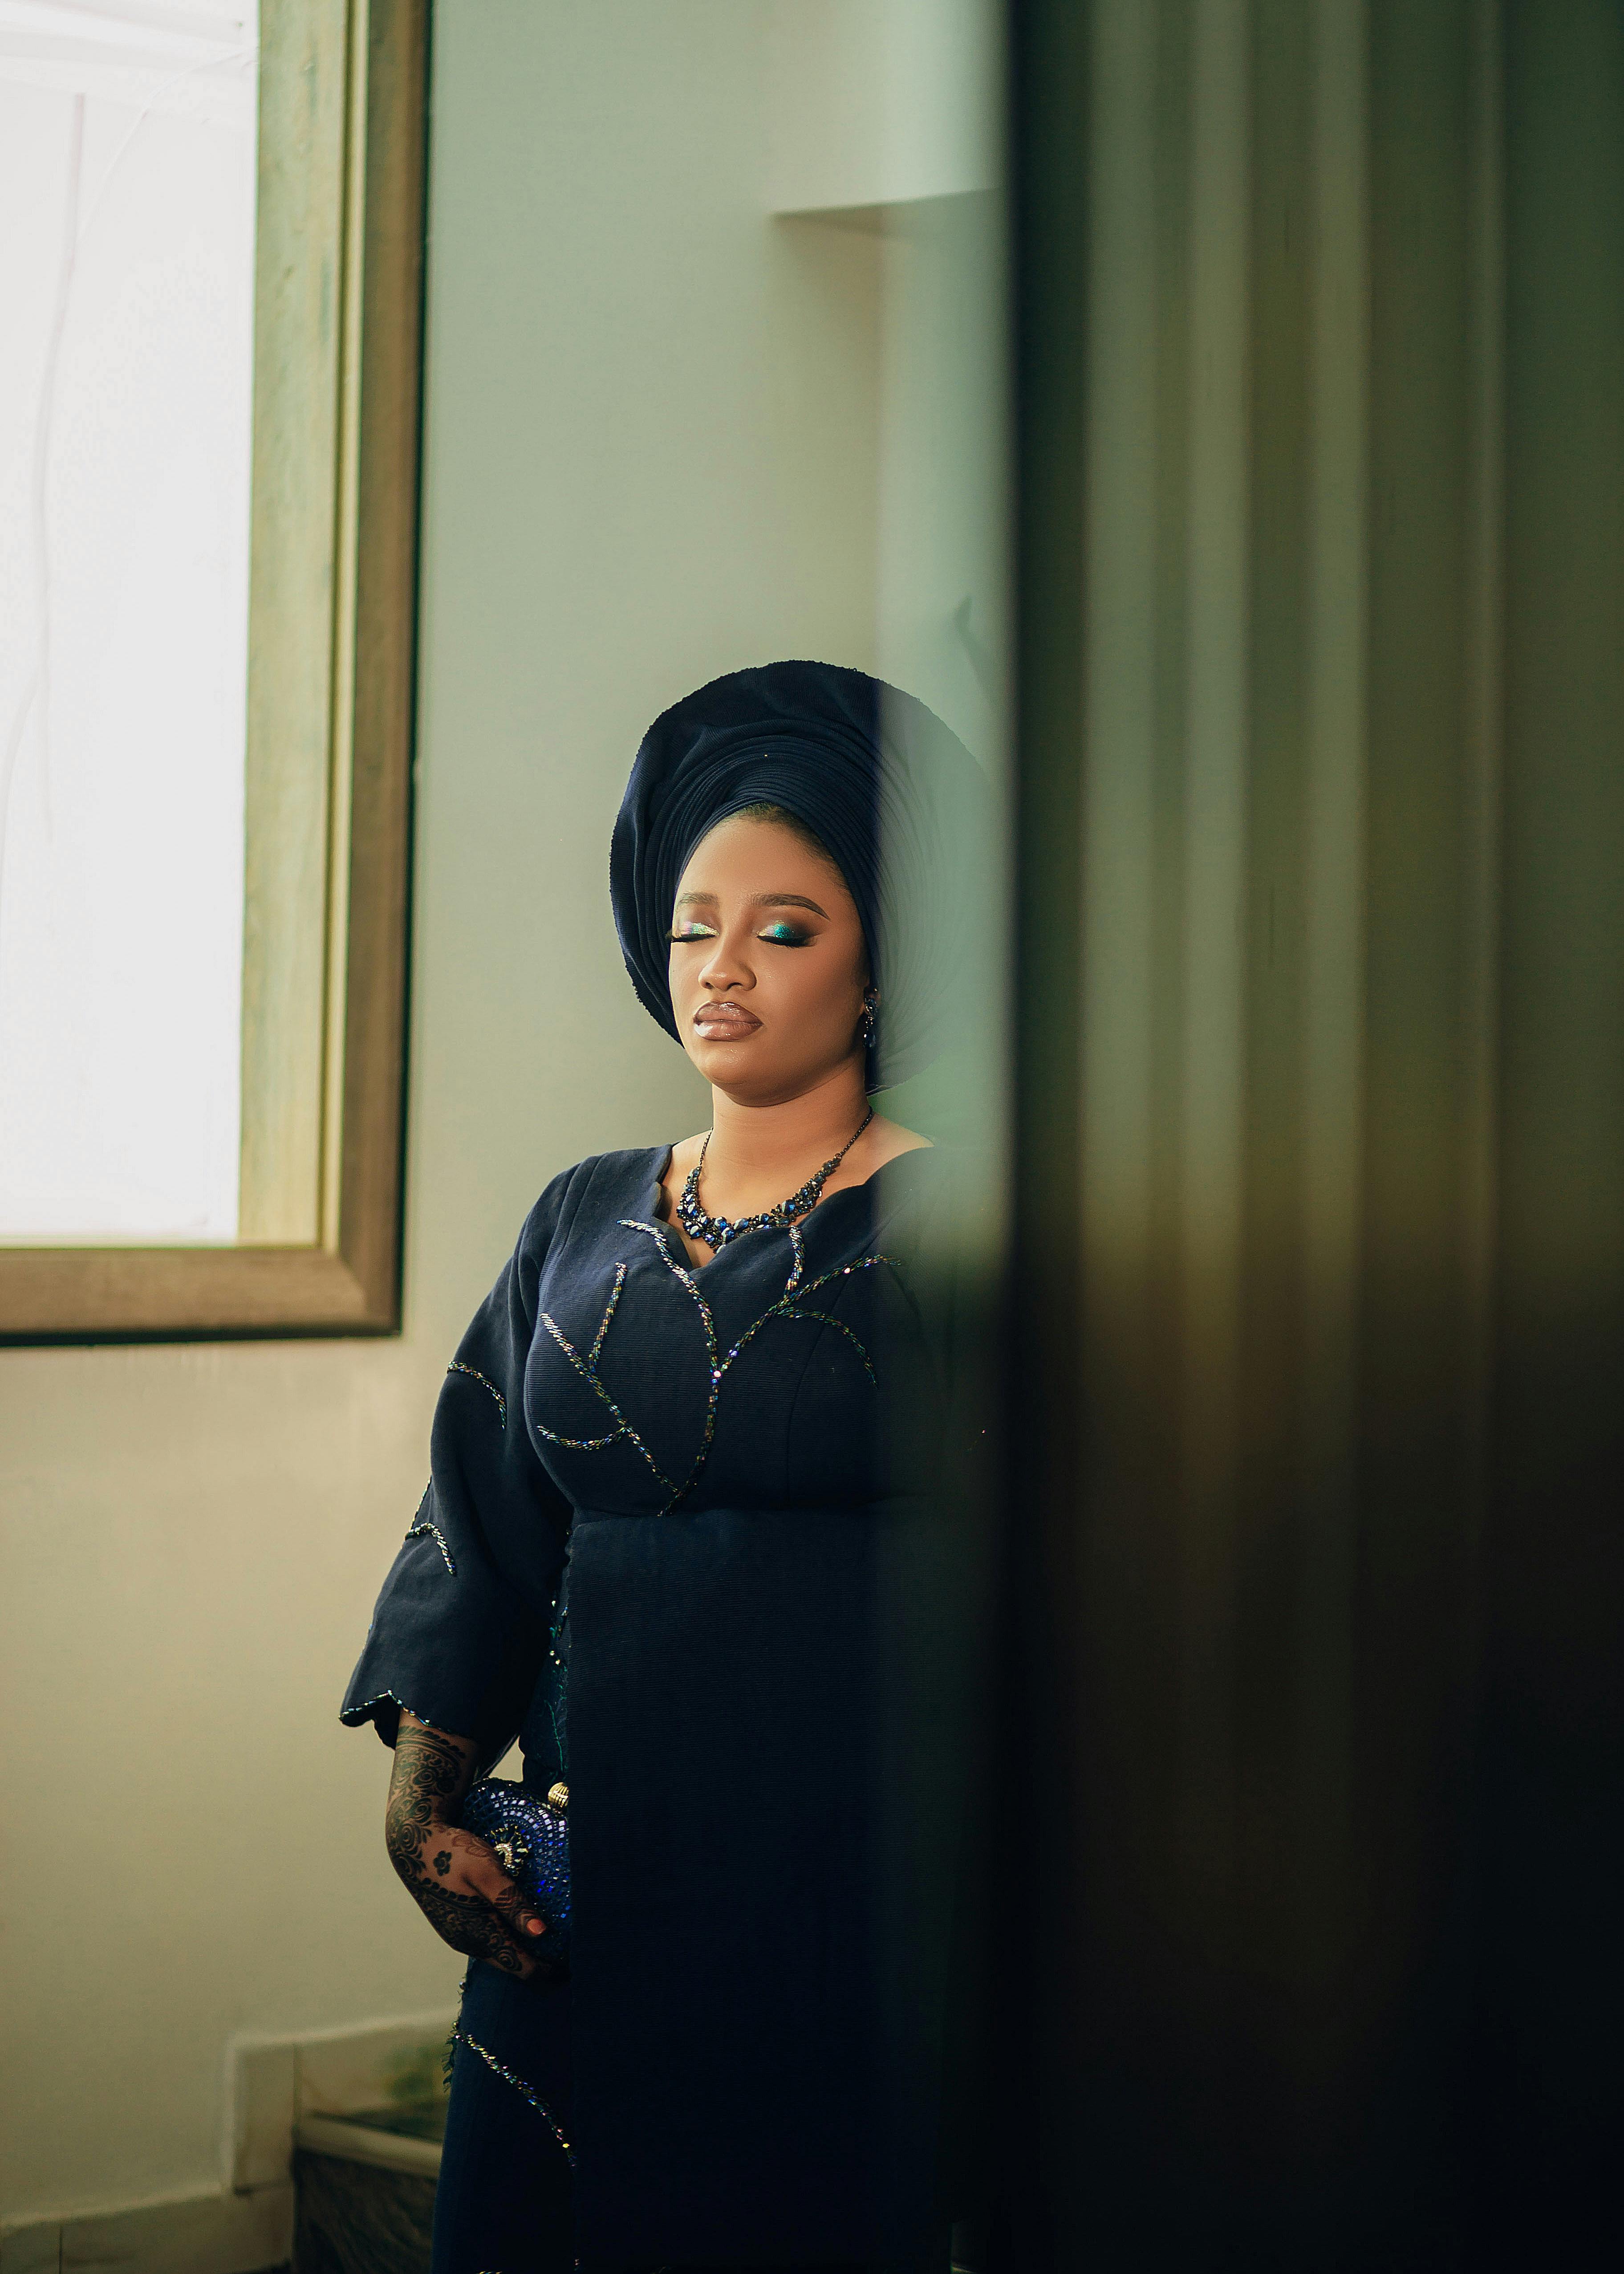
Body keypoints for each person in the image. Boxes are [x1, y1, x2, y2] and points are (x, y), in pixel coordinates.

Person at [341, 661, 991, 2273]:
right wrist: (425, 1784)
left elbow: (1065, 1565)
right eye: (698, 923)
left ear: (883, 963)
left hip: (856, 1905)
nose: (725, 966)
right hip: (585, 1907)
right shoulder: (580, 1214)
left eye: (786, 927)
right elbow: (482, 1517)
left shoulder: (969, 1230)